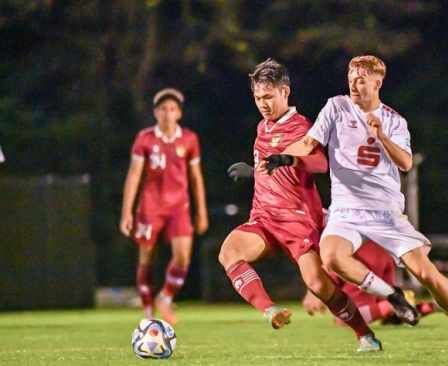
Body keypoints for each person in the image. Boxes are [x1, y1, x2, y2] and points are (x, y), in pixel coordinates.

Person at [270, 55, 448, 349]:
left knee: (425, 273)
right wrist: (278, 157)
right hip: (346, 209)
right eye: (351, 78)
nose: (354, 85)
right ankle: (393, 296)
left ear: (377, 82)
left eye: (361, 79)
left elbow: (406, 163)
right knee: (331, 256)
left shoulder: (394, 120)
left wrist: (381, 136)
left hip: (385, 212)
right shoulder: (336, 107)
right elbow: (309, 144)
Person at [218, 58, 383, 352]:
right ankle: (270, 310)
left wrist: (288, 159)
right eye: (258, 98)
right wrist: (252, 170)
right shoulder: (262, 127)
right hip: (264, 219)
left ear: (285, 92)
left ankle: (364, 334)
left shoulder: (302, 126)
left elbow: (321, 163)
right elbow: (269, 168)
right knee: (229, 252)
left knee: (319, 287)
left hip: (298, 221)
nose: (263, 104)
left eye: (268, 96)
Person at [120, 88, 209, 325]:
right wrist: (127, 212)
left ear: (179, 113)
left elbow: (196, 177)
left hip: (179, 206)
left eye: (172, 109)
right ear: (155, 112)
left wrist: (202, 211)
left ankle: (166, 297)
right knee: (146, 259)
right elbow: (134, 175)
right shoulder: (145, 138)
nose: (167, 114)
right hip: (150, 206)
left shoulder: (189, 139)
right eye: (162, 109)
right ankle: (148, 310)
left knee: (182, 257)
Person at [301, 240, 441, 326]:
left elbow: (326, 254)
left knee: (346, 318)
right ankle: (433, 306)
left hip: (358, 252)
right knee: (387, 314)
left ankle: (395, 304)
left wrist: (313, 289)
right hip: (380, 249)